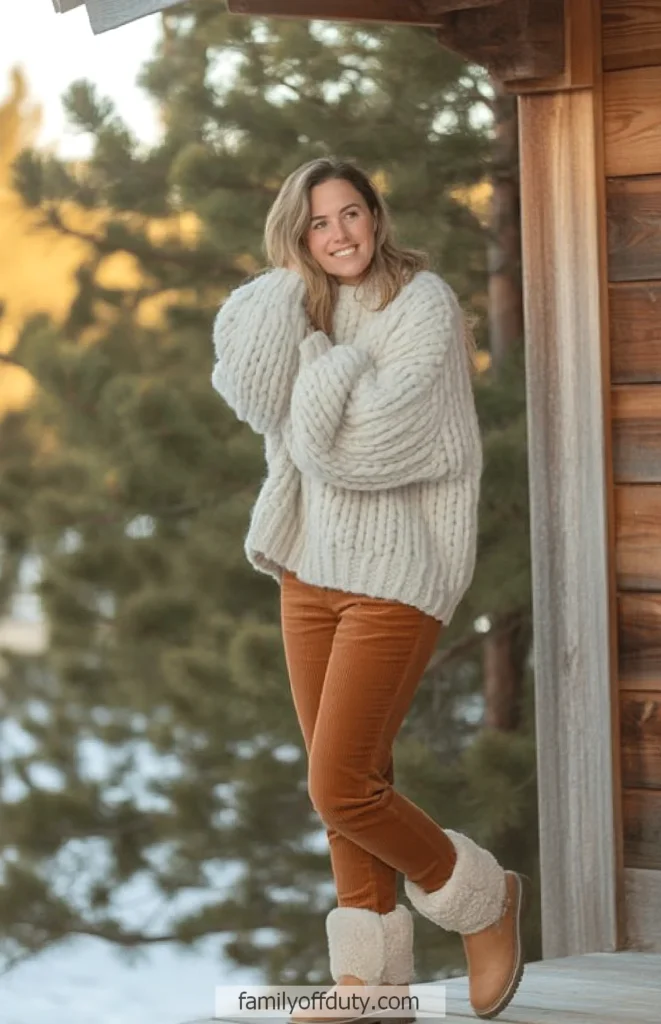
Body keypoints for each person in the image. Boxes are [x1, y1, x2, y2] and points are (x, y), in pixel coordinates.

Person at [211, 157, 527, 1021]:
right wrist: (289, 298)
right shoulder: (298, 300)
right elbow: (247, 388)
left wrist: (323, 370)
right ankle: (366, 984)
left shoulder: (419, 303)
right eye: (318, 223)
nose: (340, 234)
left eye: (352, 214)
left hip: (397, 573)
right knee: (341, 782)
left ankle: (480, 898)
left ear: (376, 217)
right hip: (306, 571)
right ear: (296, 233)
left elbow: (365, 446)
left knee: (339, 782)